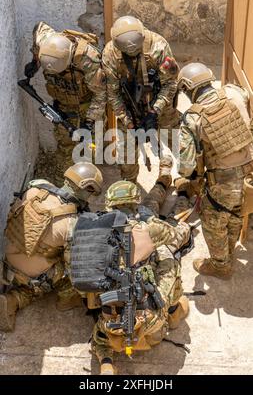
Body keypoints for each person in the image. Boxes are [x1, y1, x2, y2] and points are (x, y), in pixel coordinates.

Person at [69, 156, 191, 375]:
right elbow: (177, 235)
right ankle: (171, 309)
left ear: (108, 205)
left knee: (101, 339)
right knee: (167, 257)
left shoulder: (92, 233)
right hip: (148, 318)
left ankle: (106, 361)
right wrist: (183, 227)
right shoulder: (148, 228)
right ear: (135, 203)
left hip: (109, 317)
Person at [0, 162, 103, 332]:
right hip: (29, 277)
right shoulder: (72, 222)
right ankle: (16, 300)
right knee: (78, 265)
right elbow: (75, 268)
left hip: (7, 261)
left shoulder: (36, 187)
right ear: (87, 189)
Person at [176, 62, 253, 279]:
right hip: (250, 174)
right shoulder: (234, 93)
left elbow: (187, 166)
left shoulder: (192, 118)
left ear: (189, 90)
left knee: (213, 220)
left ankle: (221, 266)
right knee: (236, 212)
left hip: (223, 180)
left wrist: (193, 179)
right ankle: (229, 250)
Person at [25, 22, 106, 184]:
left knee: (90, 146)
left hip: (88, 105)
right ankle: (64, 184)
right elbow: (39, 27)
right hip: (63, 105)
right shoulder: (44, 41)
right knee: (65, 145)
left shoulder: (87, 59)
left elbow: (101, 94)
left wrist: (89, 122)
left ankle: (87, 182)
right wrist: (35, 62)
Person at [102, 15, 180, 182]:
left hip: (161, 103)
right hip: (129, 108)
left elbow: (171, 84)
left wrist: (155, 111)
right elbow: (113, 93)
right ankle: (129, 186)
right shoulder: (110, 54)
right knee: (127, 156)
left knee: (179, 142)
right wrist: (128, 122)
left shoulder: (158, 47)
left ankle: (191, 177)